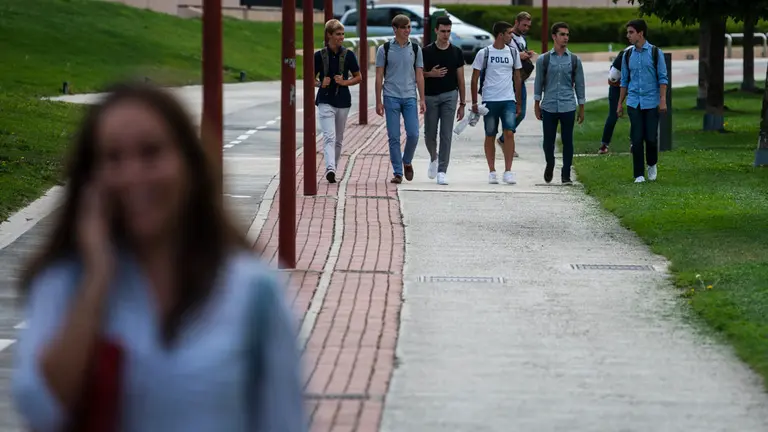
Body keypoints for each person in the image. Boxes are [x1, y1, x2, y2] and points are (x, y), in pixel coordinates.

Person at [11, 82, 305, 432]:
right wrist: (96, 280)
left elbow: (284, 421)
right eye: (113, 158)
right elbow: (40, 407)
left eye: (151, 153)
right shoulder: (66, 282)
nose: (132, 174)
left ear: (190, 165)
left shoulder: (253, 293)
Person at [375, 14, 426, 184]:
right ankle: (398, 172)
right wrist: (378, 101)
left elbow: (419, 75)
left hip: (410, 96)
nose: (407, 30)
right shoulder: (385, 49)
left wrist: (422, 99)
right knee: (394, 136)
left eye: (409, 27)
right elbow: (379, 75)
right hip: (391, 97)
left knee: (413, 134)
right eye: (404, 27)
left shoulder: (416, 49)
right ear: (395, 29)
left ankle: (407, 161)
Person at [533, 22, 585, 185]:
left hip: (568, 105)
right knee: (548, 141)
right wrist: (537, 104)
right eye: (562, 34)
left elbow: (580, 85)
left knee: (567, 140)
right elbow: (538, 82)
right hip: (548, 105)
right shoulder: (544, 59)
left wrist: (581, 107)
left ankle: (566, 174)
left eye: (567, 35)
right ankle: (550, 163)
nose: (565, 38)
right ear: (554, 36)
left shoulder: (575, 60)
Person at [470, 21, 523, 185]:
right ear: (501, 35)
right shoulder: (484, 53)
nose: (511, 36)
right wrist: (474, 102)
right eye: (509, 33)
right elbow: (474, 78)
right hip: (490, 100)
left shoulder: (513, 53)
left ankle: (508, 171)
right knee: (490, 134)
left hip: (508, 99)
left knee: (509, 133)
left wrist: (518, 102)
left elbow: (517, 77)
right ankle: (492, 171)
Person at [618, 18, 668, 183]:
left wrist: (662, 100)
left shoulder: (655, 52)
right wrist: (620, 103)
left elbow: (662, 78)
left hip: (651, 102)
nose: (628, 36)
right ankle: (638, 174)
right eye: (628, 32)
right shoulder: (627, 54)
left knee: (651, 138)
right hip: (634, 102)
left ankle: (652, 164)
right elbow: (624, 81)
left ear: (641, 33)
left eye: (631, 32)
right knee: (637, 138)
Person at [315, 19, 362, 183]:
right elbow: (309, 79)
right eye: (338, 34)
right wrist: (321, 83)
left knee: (339, 138)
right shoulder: (319, 56)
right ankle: (330, 168)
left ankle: (333, 166)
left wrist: (344, 82)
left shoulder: (348, 55)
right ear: (329, 35)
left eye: (342, 34)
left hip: (343, 101)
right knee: (329, 136)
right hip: (325, 100)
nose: (341, 37)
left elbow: (358, 77)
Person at [422, 15, 466, 185]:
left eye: (448, 31)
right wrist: (430, 74)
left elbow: (461, 79)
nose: (446, 34)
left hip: (450, 95)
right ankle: (434, 157)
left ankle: (442, 170)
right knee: (429, 134)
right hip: (430, 96)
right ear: (436, 31)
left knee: (446, 134)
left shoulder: (456, 52)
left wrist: (462, 104)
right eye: (442, 31)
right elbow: (417, 75)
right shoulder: (426, 52)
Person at [497, 11, 536, 157]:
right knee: (509, 113)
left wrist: (526, 54)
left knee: (521, 113)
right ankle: (507, 143)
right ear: (516, 22)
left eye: (528, 26)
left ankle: (503, 139)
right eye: (524, 25)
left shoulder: (522, 39)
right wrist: (519, 56)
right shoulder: (508, 36)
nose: (526, 28)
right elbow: (501, 52)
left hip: (520, 80)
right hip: (508, 80)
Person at [598, 45, 632, 154]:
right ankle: (604, 144)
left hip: (635, 84)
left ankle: (634, 143)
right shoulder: (624, 56)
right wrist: (620, 101)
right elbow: (611, 80)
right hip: (617, 83)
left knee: (636, 113)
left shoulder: (648, 52)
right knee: (613, 114)